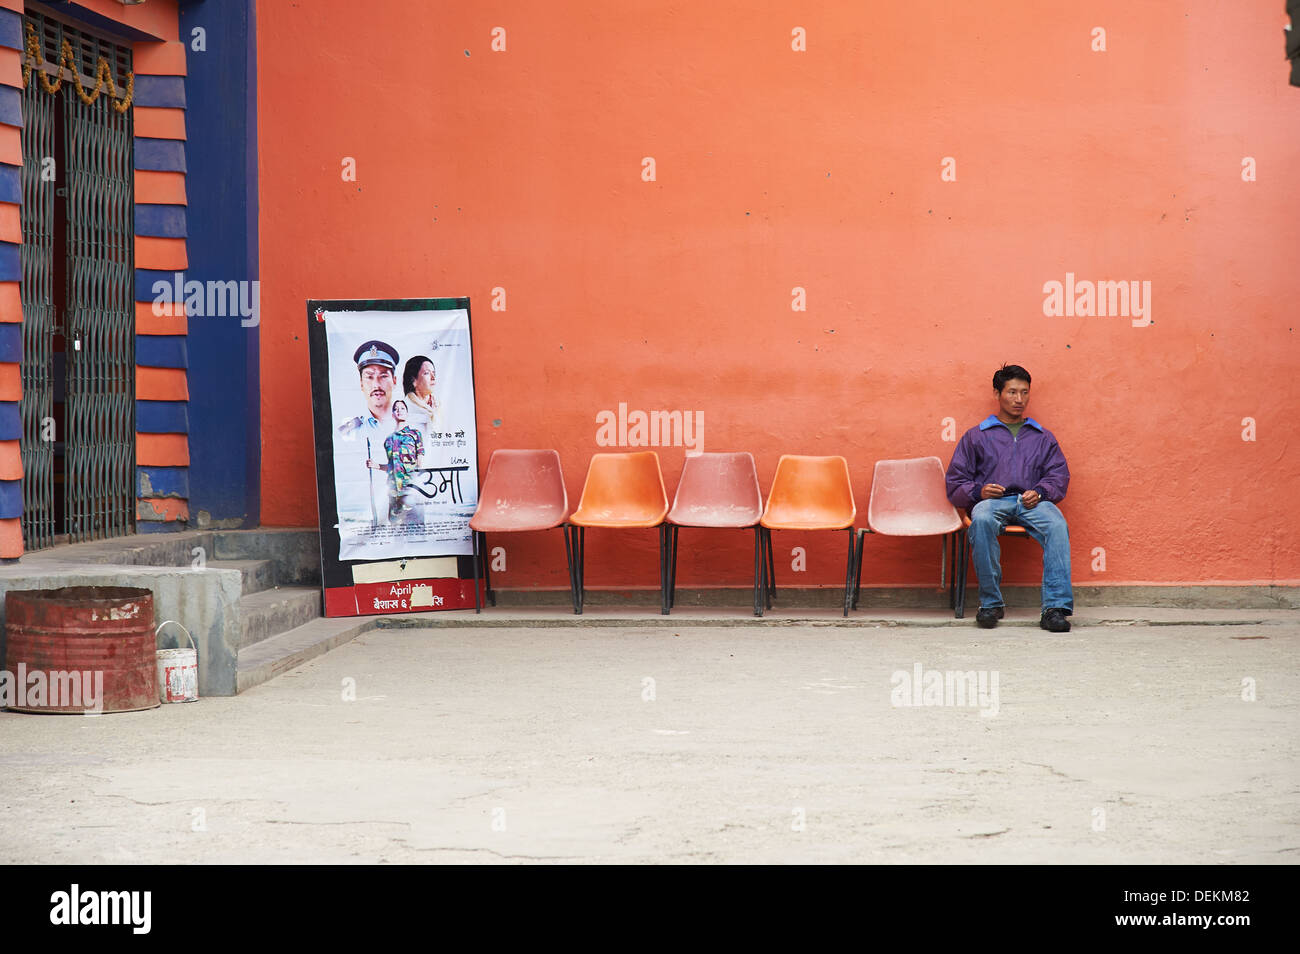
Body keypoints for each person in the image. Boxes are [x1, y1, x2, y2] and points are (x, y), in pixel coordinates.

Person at [944, 365, 1073, 633]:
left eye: (1024, 392)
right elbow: (955, 483)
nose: (1019, 399)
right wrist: (979, 491)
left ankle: (1054, 609)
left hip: (1033, 502)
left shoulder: (1042, 437)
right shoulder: (976, 436)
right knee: (980, 520)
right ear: (997, 394)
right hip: (993, 503)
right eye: (1012, 392)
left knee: (1057, 524)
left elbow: (1058, 476)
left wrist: (1040, 491)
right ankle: (991, 604)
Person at [336, 339, 400, 525]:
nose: (376, 384)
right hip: (362, 523)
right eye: (369, 376)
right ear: (361, 384)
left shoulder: (407, 427)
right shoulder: (348, 430)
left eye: (383, 376)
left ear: (394, 381)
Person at [368, 400, 426, 524]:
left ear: (407, 413)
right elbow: (391, 467)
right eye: (396, 409)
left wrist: (416, 485)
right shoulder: (388, 440)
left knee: (416, 528)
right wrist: (375, 465)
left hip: (411, 489)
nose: (399, 411)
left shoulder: (415, 434)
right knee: (396, 529)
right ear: (393, 414)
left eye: (402, 408)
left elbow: (420, 464)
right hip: (394, 491)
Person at [402, 354, 440, 433]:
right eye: (427, 373)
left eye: (433, 373)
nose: (433, 377)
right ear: (414, 381)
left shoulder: (438, 405)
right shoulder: (405, 408)